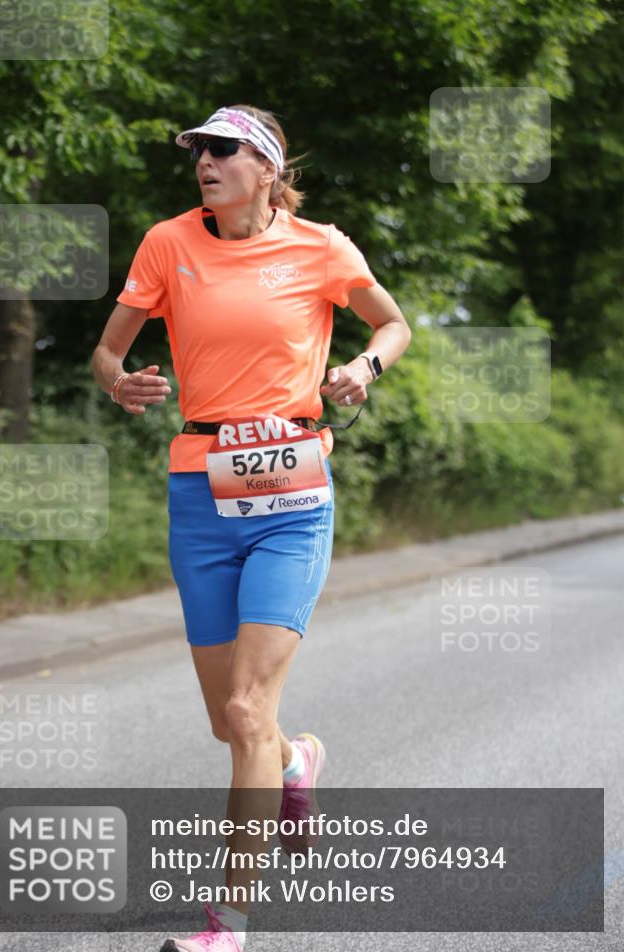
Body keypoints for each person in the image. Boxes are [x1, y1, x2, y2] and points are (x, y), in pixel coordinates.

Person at [91, 104, 411, 951]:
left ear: (266, 169)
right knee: (229, 724)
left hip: (293, 497)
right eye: (199, 150)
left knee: (243, 706)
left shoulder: (322, 247)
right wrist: (117, 382)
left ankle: (225, 928)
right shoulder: (168, 243)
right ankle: (297, 760)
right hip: (200, 494)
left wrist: (360, 366)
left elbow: (392, 321)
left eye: (224, 150)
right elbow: (106, 352)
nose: (205, 161)